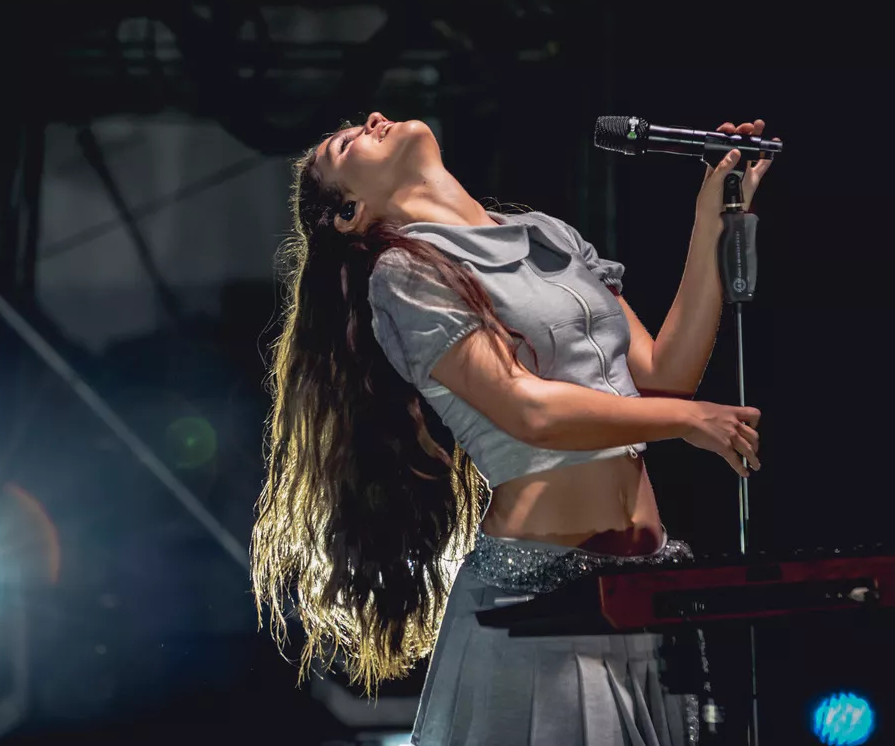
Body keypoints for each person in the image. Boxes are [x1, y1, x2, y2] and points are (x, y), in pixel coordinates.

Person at [252, 111, 777, 745]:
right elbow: (528, 410)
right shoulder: (406, 274)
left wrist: (711, 221)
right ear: (349, 212)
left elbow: (663, 378)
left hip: (643, 598)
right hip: (540, 614)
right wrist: (687, 421)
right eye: (345, 143)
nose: (373, 119)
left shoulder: (546, 233)